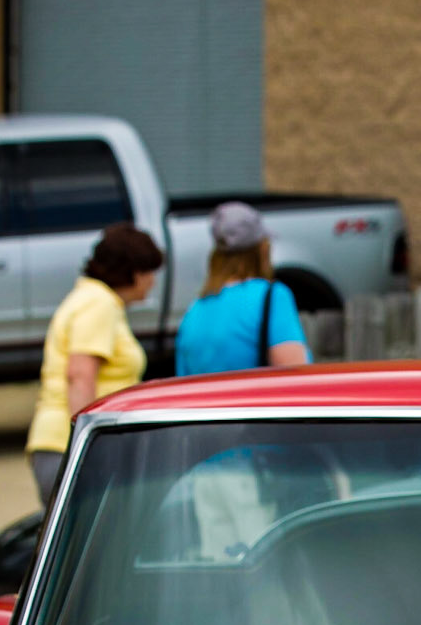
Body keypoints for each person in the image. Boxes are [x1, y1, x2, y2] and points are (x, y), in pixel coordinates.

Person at [25, 223, 164, 505]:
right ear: (135, 273)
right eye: (150, 272)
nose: (153, 281)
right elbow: (79, 375)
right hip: (70, 445)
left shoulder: (91, 300)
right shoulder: (99, 304)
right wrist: (85, 443)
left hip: (60, 443)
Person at [173, 201, 310, 377]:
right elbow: (294, 373)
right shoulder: (273, 296)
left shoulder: (195, 308)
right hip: (255, 403)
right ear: (262, 249)